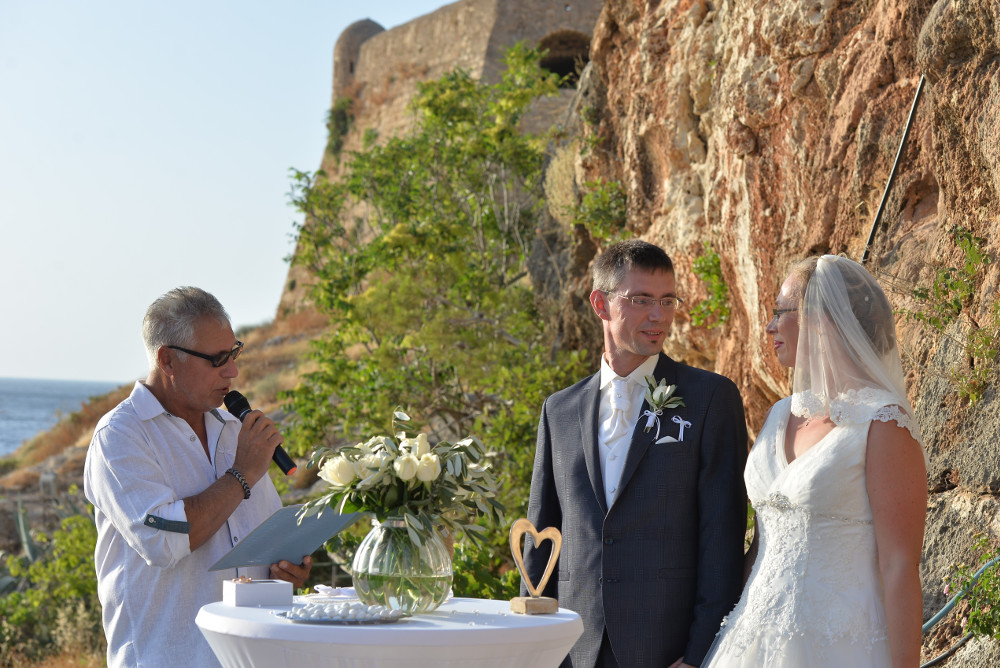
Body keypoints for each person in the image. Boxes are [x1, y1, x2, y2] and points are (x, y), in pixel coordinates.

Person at [522, 240, 749, 668]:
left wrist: (700, 653)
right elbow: (541, 534)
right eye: (641, 299)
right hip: (573, 647)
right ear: (600, 304)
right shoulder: (559, 410)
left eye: (667, 300)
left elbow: (722, 536)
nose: (659, 315)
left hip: (666, 648)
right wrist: (535, 648)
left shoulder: (709, 399)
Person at [703, 255, 927, 667]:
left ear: (820, 320)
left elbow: (899, 565)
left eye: (780, 312)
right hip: (750, 640)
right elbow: (761, 542)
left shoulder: (882, 423)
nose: (769, 326)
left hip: (840, 645)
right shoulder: (779, 414)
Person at [84, 287, 313, 668]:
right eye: (217, 359)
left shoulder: (233, 430)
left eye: (234, 353)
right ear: (167, 360)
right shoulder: (120, 437)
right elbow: (163, 539)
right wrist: (241, 475)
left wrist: (285, 574)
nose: (233, 371)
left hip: (251, 657)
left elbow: (264, 543)